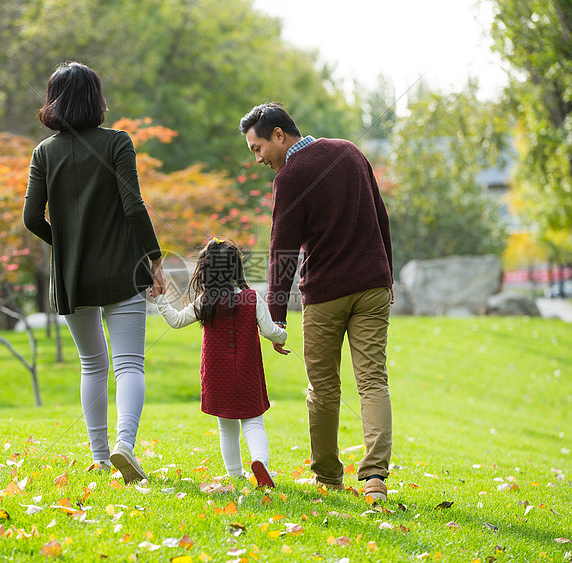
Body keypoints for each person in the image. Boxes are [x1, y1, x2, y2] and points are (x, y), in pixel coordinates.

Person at [238, 102, 394, 500]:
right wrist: (386, 274)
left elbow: (282, 251)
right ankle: (375, 478)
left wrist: (274, 318)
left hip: (326, 293)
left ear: (278, 135)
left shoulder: (291, 176)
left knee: (323, 388)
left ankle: (327, 477)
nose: (257, 159)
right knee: (373, 381)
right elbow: (381, 216)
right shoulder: (350, 150)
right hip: (373, 286)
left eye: (257, 148)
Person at [23, 61, 166, 484]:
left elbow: (32, 218)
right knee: (129, 366)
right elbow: (133, 206)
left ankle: (100, 457)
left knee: (92, 366)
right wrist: (154, 257)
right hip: (122, 270)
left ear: (54, 101)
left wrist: (67, 248)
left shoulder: (43, 153)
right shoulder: (117, 142)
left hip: (71, 277)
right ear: (96, 99)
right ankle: (125, 444)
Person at [150, 238, 287, 488]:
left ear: (206, 270)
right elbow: (270, 332)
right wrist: (282, 335)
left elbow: (176, 320)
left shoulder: (205, 301)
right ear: (237, 268)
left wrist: (160, 299)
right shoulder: (251, 298)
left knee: (226, 425)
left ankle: (235, 474)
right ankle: (260, 462)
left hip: (217, 375)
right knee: (253, 421)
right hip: (247, 373)